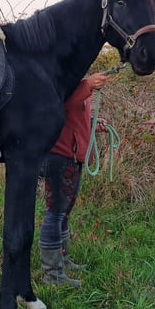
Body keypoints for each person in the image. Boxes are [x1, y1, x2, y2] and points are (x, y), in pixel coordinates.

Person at [39, 71, 109, 287]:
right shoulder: (62, 82)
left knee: (63, 212)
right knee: (55, 213)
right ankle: (52, 274)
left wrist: (92, 122)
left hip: (72, 154)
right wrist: (87, 85)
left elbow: (73, 113)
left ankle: (62, 262)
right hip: (59, 155)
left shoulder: (74, 83)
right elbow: (64, 102)